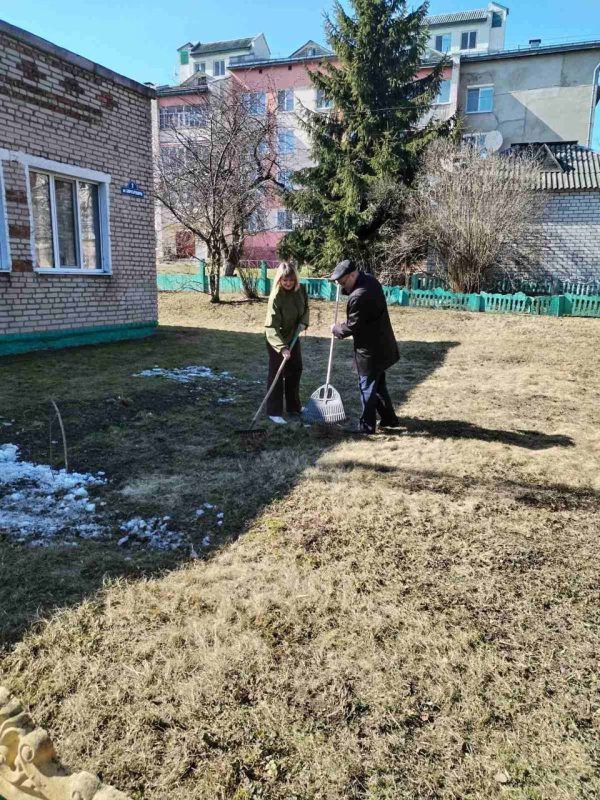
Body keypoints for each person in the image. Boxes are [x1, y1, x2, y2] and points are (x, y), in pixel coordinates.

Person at [330, 259, 400, 435]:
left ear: (353, 275)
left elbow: (352, 326)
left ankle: (367, 427)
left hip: (370, 351)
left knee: (367, 387)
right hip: (383, 343)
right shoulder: (370, 280)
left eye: (343, 282)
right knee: (378, 386)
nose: (342, 286)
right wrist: (344, 287)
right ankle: (389, 420)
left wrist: (336, 329)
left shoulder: (358, 296)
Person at [264, 263, 310, 424]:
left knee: (295, 369)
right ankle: (274, 411)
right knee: (277, 374)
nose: (288, 283)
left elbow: (306, 308)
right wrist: (282, 348)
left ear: (295, 279)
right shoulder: (276, 296)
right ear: (279, 280)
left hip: (293, 335)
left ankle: (294, 406)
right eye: (285, 280)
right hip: (276, 338)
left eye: (291, 280)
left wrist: (304, 322)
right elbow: (271, 327)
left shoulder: (301, 290)